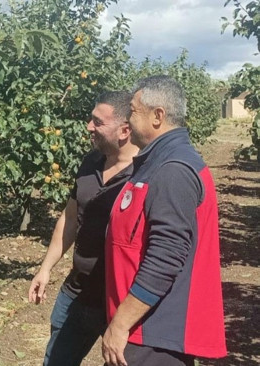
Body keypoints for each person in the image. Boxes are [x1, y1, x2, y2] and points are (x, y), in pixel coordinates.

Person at [102, 76, 227, 366]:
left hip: (154, 336)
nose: (127, 119)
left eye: (133, 111)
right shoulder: (158, 162)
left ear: (158, 116)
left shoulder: (173, 170)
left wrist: (120, 324)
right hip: (143, 330)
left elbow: (165, 258)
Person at [29, 91, 139, 366]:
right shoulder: (91, 162)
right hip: (77, 292)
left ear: (125, 130)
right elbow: (69, 219)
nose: (89, 126)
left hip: (119, 302)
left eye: (97, 122)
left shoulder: (144, 174)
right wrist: (45, 268)